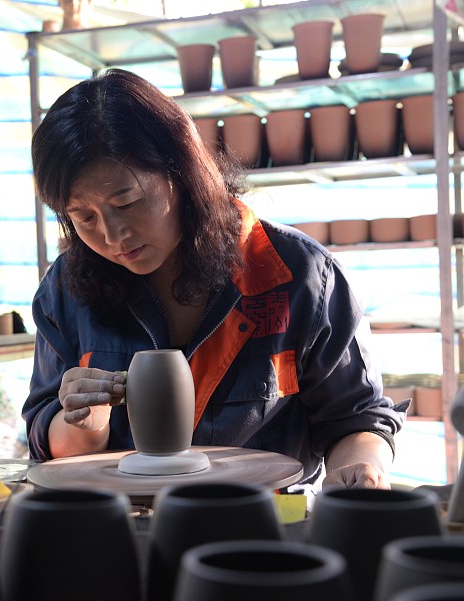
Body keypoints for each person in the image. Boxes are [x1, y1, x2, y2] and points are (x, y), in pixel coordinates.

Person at [22, 68, 407, 490]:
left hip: (264, 524)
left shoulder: (299, 275)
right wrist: (86, 422)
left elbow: (357, 420)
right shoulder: (68, 289)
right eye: (85, 217)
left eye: (127, 202)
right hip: (122, 528)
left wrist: (359, 467)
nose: (113, 236)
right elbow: (51, 446)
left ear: (181, 171)